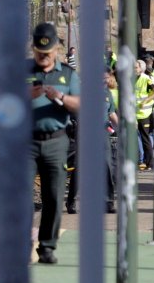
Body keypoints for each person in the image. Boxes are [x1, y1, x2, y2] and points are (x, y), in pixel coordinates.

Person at [28, 22, 80, 265]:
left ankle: (47, 246)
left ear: (56, 51)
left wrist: (59, 96)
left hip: (56, 141)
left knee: (53, 196)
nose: (43, 58)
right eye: (39, 53)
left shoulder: (68, 75)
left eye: (47, 54)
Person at [66, 68, 118, 215]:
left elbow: (111, 113)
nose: (104, 81)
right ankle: (71, 201)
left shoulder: (107, 93)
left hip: (102, 132)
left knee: (107, 166)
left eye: (106, 78)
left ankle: (108, 202)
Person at [135, 59, 154, 170]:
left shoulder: (146, 79)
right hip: (135, 114)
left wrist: (145, 101)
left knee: (145, 139)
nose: (134, 69)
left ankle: (150, 164)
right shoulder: (133, 79)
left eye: (136, 67)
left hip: (145, 114)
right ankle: (138, 162)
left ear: (141, 68)